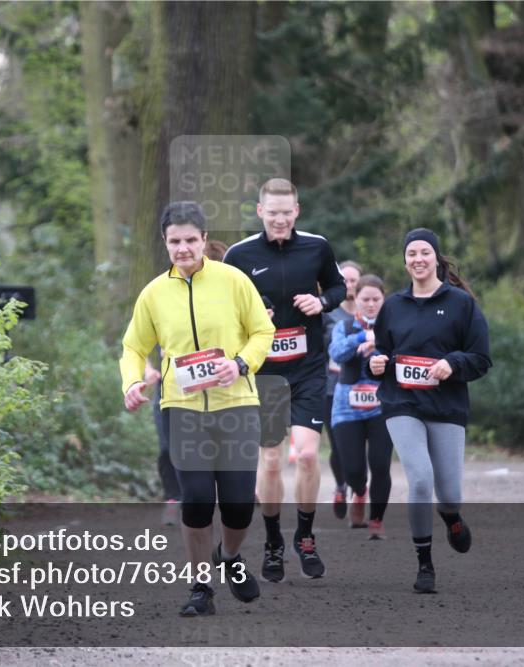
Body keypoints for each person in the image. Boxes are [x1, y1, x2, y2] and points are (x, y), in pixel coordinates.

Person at [121, 203, 274, 616]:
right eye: (175, 241)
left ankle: (230, 556)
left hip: (236, 404)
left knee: (239, 503)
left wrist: (239, 364)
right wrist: (132, 382)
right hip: (183, 407)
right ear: (165, 242)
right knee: (197, 498)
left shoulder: (233, 281)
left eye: (191, 239)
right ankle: (200, 586)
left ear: (205, 240)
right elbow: (133, 347)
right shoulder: (154, 293)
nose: (183, 248)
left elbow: (263, 332)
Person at [223, 178, 346, 581]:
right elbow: (223, 306)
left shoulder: (316, 246)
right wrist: (252, 314)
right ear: (260, 211)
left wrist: (321, 301)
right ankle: (274, 541)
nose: (279, 220)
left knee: (307, 455)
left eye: (286, 212)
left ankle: (305, 536)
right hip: (265, 372)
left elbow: (338, 286)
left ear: (297, 211)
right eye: (272, 213)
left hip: (308, 366)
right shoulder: (239, 255)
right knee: (272, 462)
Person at [367, 228, 491, 593]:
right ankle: (425, 563)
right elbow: (381, 353)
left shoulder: (461, 303)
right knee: (420, 479)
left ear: (436, 258)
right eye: (411, 254)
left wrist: (452, 363)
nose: (418, 259)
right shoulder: (393, 305)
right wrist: (375, 363)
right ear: (404, 261)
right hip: (401, 403)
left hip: (446, 405)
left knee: (449, 494)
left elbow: (481, 357)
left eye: (424, 252)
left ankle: (451, 516)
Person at [149, 239, 231, 526]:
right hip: (174, 387)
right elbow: (142, 338)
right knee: (168, 447)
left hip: (220, 390)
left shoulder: (232, 299)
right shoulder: (165, 295)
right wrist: (147, 369)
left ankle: (231, 493)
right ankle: (175, 498)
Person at [328, 274, 393, 538]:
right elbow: (336, 353)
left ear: (384, 299)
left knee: (380, 465)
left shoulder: (392, 326)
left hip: (382, 406)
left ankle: (376, 520)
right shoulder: (344, 326)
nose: (371, 304)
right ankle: (359, 491)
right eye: (365, 299)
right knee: (353, 470)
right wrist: (361, 339)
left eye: (376, 299)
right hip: (347, 407)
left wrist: (378, 344)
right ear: (356, 299)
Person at [323, 260, 362, 519]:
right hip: (331, 388)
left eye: (353, 281)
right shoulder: (327, 313)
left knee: (359, 447)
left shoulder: (370, 311)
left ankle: (359, 491)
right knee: (338, 446)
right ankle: (340, 486)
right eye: (344, 280)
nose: (348, 285)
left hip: (363, 388)